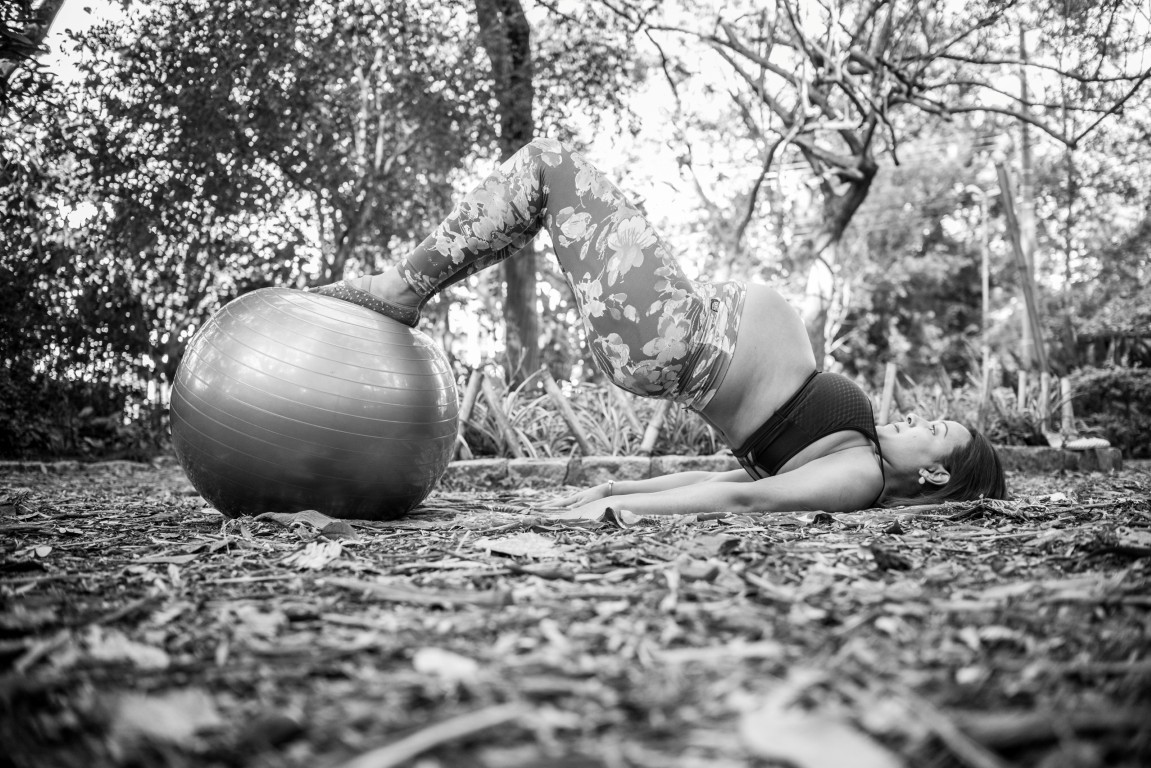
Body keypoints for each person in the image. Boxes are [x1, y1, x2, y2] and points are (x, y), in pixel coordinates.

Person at [312, 138, 1006, 517]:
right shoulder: (852, 455)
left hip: (673, 338)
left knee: (553, 164)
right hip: (671, 334)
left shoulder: (857, 475)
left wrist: (613, 517)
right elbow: (713, 472)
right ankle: (409, 286)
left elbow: (741, 496)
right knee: (536, 204)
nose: (919, 417)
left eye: (935, 428)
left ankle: (401, 286)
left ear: (936, 471)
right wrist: (616, 489)